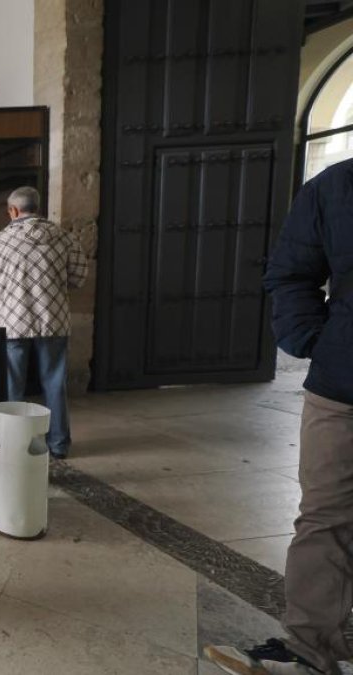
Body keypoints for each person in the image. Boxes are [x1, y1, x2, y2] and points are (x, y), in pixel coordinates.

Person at [204, 162, 353, 675]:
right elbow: (293, 272)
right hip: (343, 388)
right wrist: (322, 342)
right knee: (325, 519)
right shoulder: (337, 186)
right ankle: (311, 650)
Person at [0, 186, 88, 460]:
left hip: (11, 322)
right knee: (55, 383)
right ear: (38, 207)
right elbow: (79, 277)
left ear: (12, 211)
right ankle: (59, 444)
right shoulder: (64, 238)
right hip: (53, 320)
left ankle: (13, 443)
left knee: (13, 387)